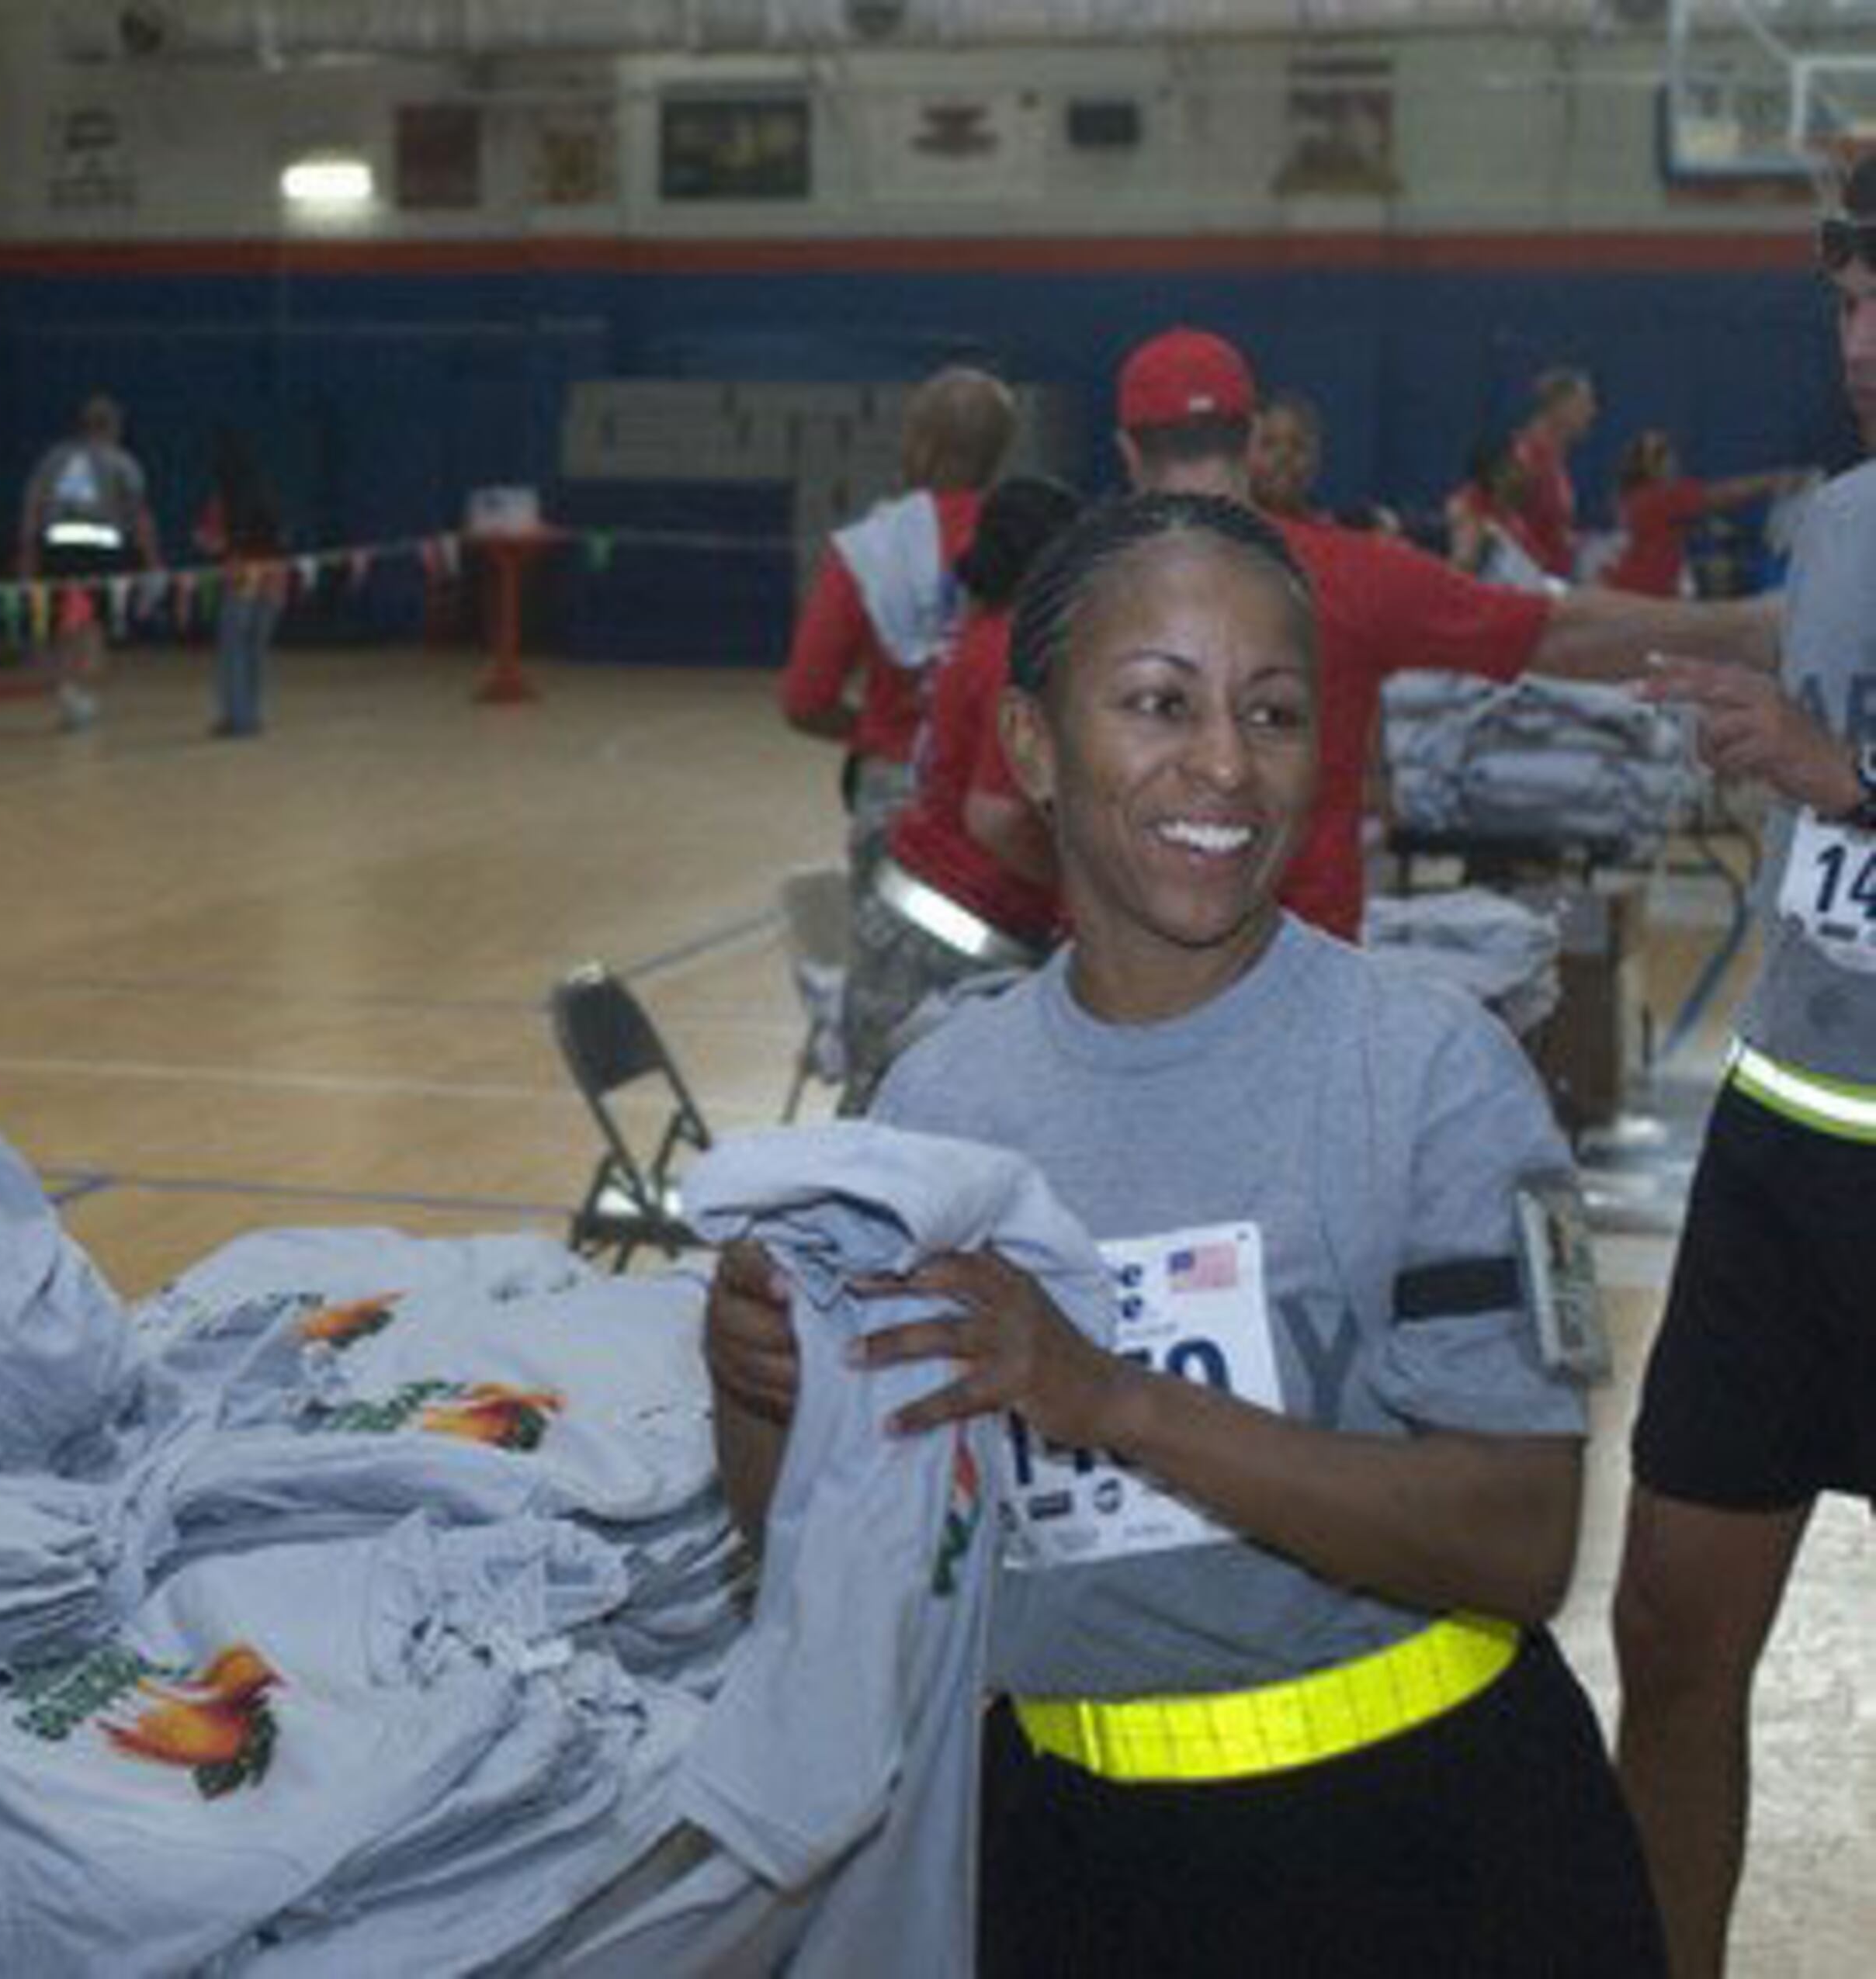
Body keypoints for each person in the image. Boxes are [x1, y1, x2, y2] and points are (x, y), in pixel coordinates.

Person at [706, 490, 1666, 1975]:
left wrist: (1115, 1399)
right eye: (1158, 702)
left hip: (1431, 1860)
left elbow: (1521, 1535)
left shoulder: (1431, 1074)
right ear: (1030, 747)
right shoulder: (941, 1103)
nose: (1223, 762)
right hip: (1069, 1867)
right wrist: (755, 1385)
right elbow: (830, 1555)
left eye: (1274, 713)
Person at [1609, 169, 1876, 1979]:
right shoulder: (1840, 522)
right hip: (1782, 1146)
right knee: (1665, 1633)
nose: (1858, 350)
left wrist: (1846, 786)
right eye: (1844, 307)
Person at [1107, 326, 1777, 941]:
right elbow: (1561, 632)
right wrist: (1750, 630)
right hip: (1296, 975)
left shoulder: (1073, 598)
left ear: (1127, 451)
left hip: (1125, 992)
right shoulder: (1349, 575)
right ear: (1251, 438)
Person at [780, 364, 1021, 1099]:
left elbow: (806, 697)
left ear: (917, 445)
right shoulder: (1032, 545)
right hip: (1004, 811)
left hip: (900, 814)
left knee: (887, 1039)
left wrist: (883, 734)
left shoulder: (871, 551)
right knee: (1000, 1035)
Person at [837, 473, 1079, 1112]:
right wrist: (1090, 887)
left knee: (883, 1126)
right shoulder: (1016, 653)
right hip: (953, 946)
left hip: (914, 919)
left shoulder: (984, 631)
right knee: (905, 1143)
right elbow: (996, 817)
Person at [18, 392, 161, 732]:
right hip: (99, 552)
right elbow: (140, 516)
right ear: (113, 427)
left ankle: (68, 689)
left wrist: (28, 554)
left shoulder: (53, 460)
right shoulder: (122, 462)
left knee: (65, 623)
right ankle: (80, 693)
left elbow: (32, 510)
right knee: (91, 624)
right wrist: (152, 561)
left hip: (58, 551)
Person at [1603, 428, 1809, 601]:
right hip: (1642, 592)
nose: (1673, 461)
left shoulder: (1635, 499)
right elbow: (1723, 494)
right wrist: (1774, 481)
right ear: (1652, 465)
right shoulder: (1660, 498)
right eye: (1664, 456)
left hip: (1637, 590)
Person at [196, 424, 285, 739]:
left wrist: (207, 542)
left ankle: (237, 718)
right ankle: (254, 714)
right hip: (274, 579)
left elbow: (212, 541)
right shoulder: (269, 494)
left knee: (234, 648)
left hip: (241, 576)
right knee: (257, 651)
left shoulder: (224, 500)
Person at [1510, 365, 1599, 581]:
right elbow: (1502, 526)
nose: (1592, 412)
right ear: (1559, 407)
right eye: (1583, 404)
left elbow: (1548, 529)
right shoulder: (1526, 457)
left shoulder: (1554, 459)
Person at [1443, 434, 1558, 592]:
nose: (1526, 477)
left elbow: (1537, 571)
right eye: (1518, 469)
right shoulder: (1466, 509)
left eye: (1527, 469)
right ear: (1496, 472)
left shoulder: (1514, 519)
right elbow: (1461, 569)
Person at [1247, 387, 1329, 525]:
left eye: (1298, 446)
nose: (1284, 457)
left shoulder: (1331, 534)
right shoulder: (1222, 533)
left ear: (1316, 459)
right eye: (1268, 443)